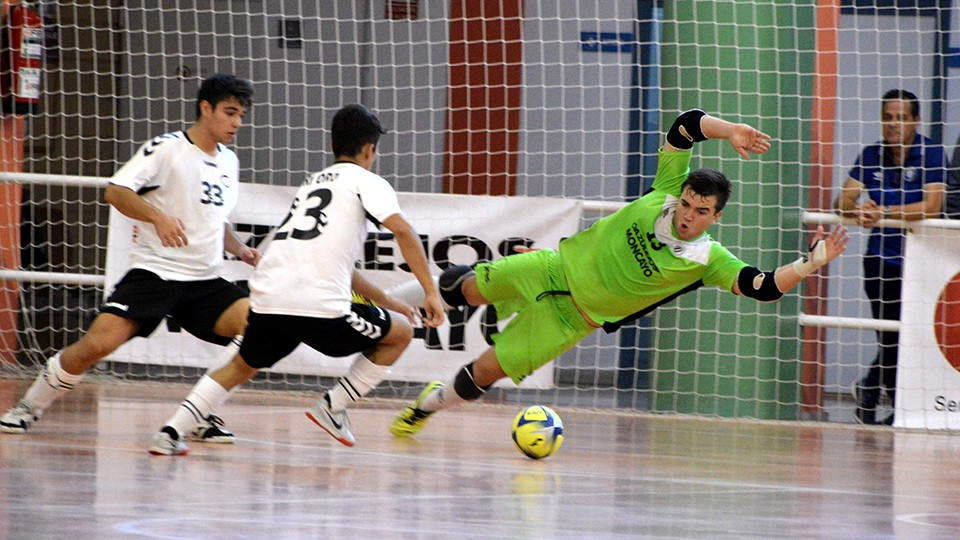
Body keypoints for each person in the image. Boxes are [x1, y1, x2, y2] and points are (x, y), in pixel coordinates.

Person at [389, 109, 849, 437]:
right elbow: (685, 126)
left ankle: (423, 408)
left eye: (700, 210)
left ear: (715, 217)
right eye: (687, 203)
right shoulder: (667, 188)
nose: (687, 214)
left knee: (486, 371)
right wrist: (729, 131)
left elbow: (763, 287)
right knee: (462, 287)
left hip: (576, 318)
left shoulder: (708, 259)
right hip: (553, 267)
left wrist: (810, 263)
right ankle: (382, 299)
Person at [148, 103, 445, 456]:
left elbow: (341, 269)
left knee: (240, 366)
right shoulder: (368, 182)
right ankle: (333, 406)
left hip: (268, 298)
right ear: (370, 150)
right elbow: (404, 231)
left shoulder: (311, 184)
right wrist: (430, 292)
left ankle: (170, 431)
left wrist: (390, 302)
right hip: (319, 307)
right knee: (401, 334)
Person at [0, 74, 260, 440]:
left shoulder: (229, 162)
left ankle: (202, 413)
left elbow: (215, 221)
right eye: (230, 113)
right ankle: (27, 407)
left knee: (261, 329)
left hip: (204, 280)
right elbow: (116, 191)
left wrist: (241, 249)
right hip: (156, 274)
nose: (237, 123)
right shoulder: (167, 148)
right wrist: (157, 216)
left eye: (241, 116)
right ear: (206, 108)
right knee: (96, 346)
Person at [835, 89, 948, 425]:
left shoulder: (931, 153)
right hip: (880, 260)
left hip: (922, 261)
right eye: (888, 117)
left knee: (911, 335)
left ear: (915, 120)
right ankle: (888, 406)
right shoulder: (871, 154)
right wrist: (861, 211)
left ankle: (872, 391)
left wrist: (884, 211)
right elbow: (841, 202)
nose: (894, 124)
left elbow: (932, 206)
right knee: (890, 335)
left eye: (901, 117)